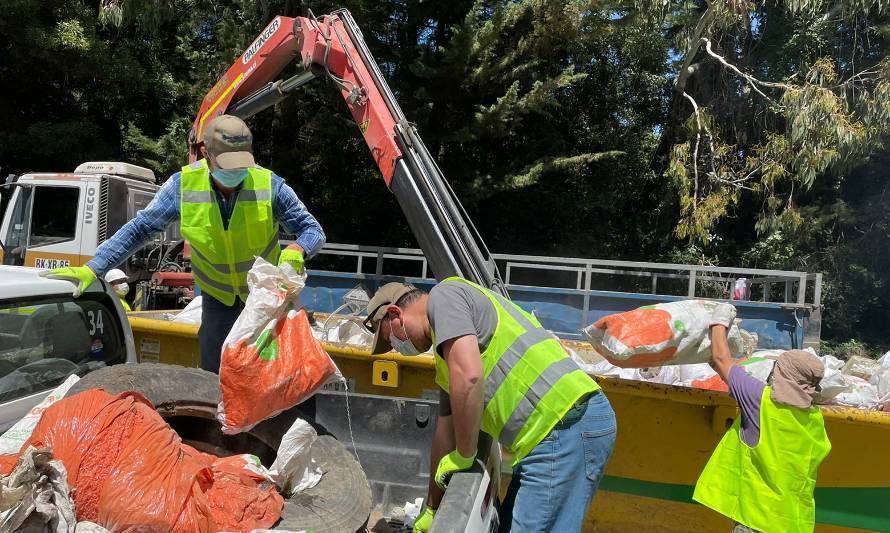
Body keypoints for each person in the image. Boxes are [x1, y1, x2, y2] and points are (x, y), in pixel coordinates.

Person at [41, 115, 325, 373]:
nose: (235, 173)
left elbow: (313, 230)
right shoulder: (182, 186)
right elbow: (141, 229)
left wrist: (298, 249)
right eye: (227, 165)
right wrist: (95, 267)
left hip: (264, 299)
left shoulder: (270, 185)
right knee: (217, 377)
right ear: (206, 154)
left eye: (241, 165)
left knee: (272, 374)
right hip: (218, 300)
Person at [364, 279, 617, 533]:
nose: (397, 348)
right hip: (551, 435)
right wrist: (431, 507)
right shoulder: (448, 358)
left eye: (392, 339)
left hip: (565, 426)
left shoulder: (444, 296)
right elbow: (446, 434)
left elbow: (470, 377)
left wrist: (464, 455)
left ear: (396, 314)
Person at [693, 320, 831, 533]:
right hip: (792, 524)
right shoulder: (814, 419)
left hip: (757, 520)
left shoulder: (760, 400)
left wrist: (717, 321)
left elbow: (722, 360)